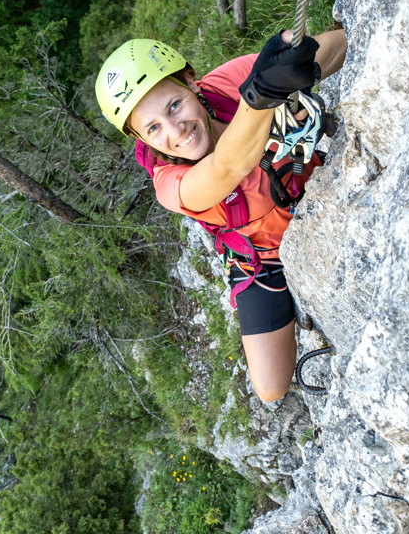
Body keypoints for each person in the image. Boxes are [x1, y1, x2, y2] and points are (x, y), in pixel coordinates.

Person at [95, 29, 347, 402]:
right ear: (141, 139)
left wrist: (300, 66)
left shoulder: (228, 85)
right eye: (152, 128)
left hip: (313, 192)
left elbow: (339, 44)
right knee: (271, 387)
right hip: (261, 259)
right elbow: (226, 169)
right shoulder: (169, 185)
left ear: (192, 83)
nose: (174, 130)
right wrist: (262, 95)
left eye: (174, 105)